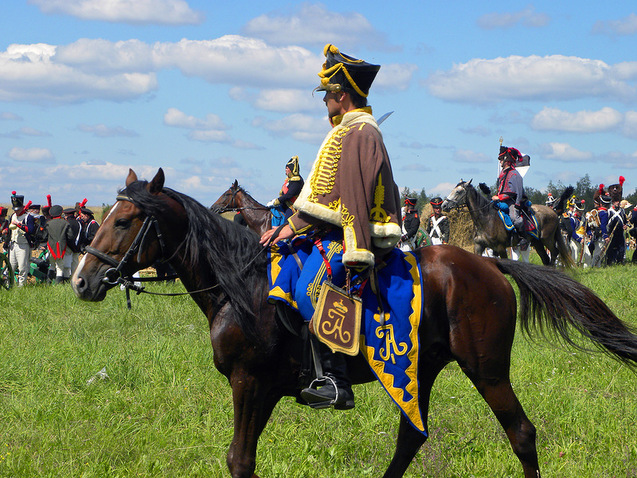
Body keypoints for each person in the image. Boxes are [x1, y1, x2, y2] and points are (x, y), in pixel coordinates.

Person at [259, 44, 402, 410]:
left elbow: (350, 197)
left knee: (310, 292)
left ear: (341, 95)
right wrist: (286, 228)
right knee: (287, 272)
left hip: (351, 236)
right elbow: (326, 194)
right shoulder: (346, 131)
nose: (324, 102)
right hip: (332, 231)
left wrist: (353, 245)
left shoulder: (358, 133)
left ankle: (337, 380)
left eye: (326, 96)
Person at [492, 145, 529, 250]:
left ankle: (523, 238)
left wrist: (499, 197)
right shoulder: (502, 173)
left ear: (507, 160)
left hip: (512, 201)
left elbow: (513, 192)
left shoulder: (514, 174)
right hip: (500, 200)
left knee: (514, 218)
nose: (500, 162)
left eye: (501, 160)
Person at [266, 156, 305, 225]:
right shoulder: (288, 180)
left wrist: (276, 202)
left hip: (292, 207)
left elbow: (289, 195)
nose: (285, 170)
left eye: (287, 168)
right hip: (284, 204)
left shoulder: (297, 181)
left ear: (292, 169)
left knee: (287, 224)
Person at [8, 191, 35, 286]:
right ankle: (9, 284)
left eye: (18, 209)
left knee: (22, 268)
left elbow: (31, 230)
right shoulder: (13, 216)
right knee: (11, 266)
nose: (16, 211)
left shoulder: (28, 217)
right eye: (15, 209)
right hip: (13, 244)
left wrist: (19, 225)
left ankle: (21, 287)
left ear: (22, 207)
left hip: (23, 245)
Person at [44, 205, 75, 283]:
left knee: (52, 265)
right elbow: (70, 236)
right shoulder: (65, 223)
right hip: (61, 247)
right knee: (60, 267)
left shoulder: (48, 223)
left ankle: (49, 282)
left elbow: (44, 236)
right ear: (61, 213)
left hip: (51, 247)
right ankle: (58, 285)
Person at [606, 178, 627, 265]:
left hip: (620, 232)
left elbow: (625, 221)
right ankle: (610, 261)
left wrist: (625, 225)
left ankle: (620, 261)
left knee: (621, 247)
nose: (617, 203)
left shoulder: (622, 211)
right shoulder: (609, 211)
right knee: (612, 248)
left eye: (618, 201)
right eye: (616, 201)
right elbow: (607, 222)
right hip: (612, 232)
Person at [590, 184, 610, 267]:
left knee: (598, 251)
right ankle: (595, 266)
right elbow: (603, 226)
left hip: (597, 233)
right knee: (598, 251)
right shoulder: (604, 213)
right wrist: (605, 236)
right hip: (601, 234)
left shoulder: (599, 211)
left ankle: (596, 265)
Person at [63, 207, 82, 277]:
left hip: (67, 246)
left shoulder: (66, 223)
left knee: (66, 265)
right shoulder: (79, 223)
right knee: (75, 264)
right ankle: (75, 277)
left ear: (67, 215)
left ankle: (66, 278)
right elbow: (80, 235)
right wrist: (76, 247)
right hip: (76, 247)